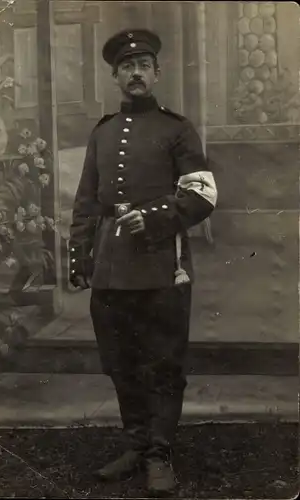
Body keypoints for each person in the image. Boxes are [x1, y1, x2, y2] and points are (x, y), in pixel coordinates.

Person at [69, 28, 218, 497]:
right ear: (115, 76)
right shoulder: (103, 131)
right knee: (120, 361)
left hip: (160, 264)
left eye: (144, 66)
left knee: (163, 361)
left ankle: (159, 452)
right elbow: (86, 202)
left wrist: (155, 217)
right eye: (127, 67)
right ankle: (135, 444)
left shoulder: (177, 129)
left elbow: (202, 194)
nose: (136, 73)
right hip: (111, 267)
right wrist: (79, 256)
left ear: (157, 73)